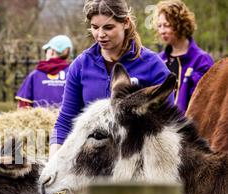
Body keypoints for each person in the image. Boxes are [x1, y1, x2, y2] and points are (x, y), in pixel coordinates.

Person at [50, 0, 171, 157]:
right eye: (94, 27)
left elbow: (166, 125)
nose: (100, 35)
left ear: (125, 22)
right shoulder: (80, 65)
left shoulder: (153, 66)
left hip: (135, 160)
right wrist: (52, 162)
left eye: (108, 27)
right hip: (90, 162)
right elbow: (65, 121)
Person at [156, 0, 214, 113]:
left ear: (180, 24)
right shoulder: (159, 60)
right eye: (159, 26)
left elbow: (207, 102)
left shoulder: (202, 60)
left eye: (167, 25)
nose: (162, 31)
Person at [15, 35, 73, 108]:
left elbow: (23, 104)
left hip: (39, 119)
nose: (45, 53)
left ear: (52, 51)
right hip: (67, 119)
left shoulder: (35, 75)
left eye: (46, 50)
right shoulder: (73, 73)